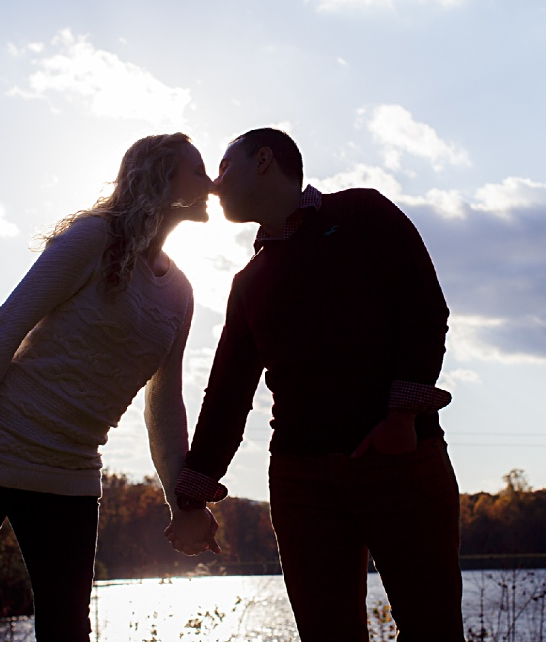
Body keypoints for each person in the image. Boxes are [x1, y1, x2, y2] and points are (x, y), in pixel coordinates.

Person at [0, 133, 221, 642]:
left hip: (71, 476)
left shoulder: (180, 293)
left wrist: (180, 500)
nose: (212, 183)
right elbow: (6, 326)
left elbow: (164, 404)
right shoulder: (94, 239)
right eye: (198, 170)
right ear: (158, 177)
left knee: (67, 633)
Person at [171, 128, 462, 641]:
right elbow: (228, 392)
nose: (214, 187)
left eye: (224, 168)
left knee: (433, 628)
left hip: (402, 463)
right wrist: (193, 496)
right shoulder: (249, 281)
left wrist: (401, 418)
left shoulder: (363, 215)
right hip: (301, 484)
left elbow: (425, 310)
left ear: (264, 160)